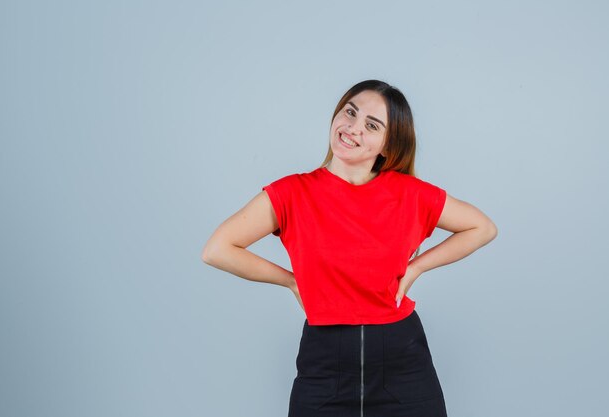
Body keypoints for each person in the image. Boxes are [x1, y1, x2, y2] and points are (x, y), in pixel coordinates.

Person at [201, 79, 498, 416]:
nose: (353, 128)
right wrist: (291, 280)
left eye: (372, 125)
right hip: (325, 364)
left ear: (388, 145)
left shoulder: (410, 194)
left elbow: (482, 227)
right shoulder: (292, 193)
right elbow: (218, 248)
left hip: (403, 361)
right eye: (350, 112)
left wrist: (417, 267)